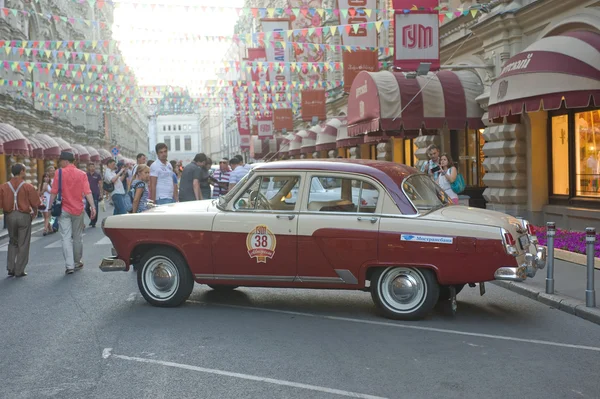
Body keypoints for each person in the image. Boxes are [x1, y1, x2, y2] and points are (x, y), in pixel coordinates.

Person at [49, 151, 96, 275]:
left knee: (65, 237)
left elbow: (53, 191)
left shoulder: (58, 173)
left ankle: (69, 265)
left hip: (63, 209)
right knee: (77, 237)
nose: (60, 163)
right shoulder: (82, 174)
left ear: (65, 161)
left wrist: (49, 207)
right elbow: (87, 191)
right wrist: (93, 207)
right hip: (78, 209)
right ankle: (77, 262)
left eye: (60, 161)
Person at [0, 163, 41, 277]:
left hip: (9, 216)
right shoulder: (28, 186)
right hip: (23, 216)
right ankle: (19, 270)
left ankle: (11, 268)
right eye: (25, 170)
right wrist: (35, 212)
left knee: (13, 241)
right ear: (22, 171)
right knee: (23, 243)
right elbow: (35, 202)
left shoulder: (3, 186)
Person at [39, 170, 52, 235]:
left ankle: (47, 229)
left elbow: (52, 193)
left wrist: (47, 189)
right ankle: (48, 229)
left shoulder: (50, 184)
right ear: (43, 178)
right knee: (46, 216)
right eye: (45, 177)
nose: (46, 178)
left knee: (47, 216)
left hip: (49, 201)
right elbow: (39, 193)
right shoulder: (40, 185)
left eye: (47, 177)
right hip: (44, 202)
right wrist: (44, 189)